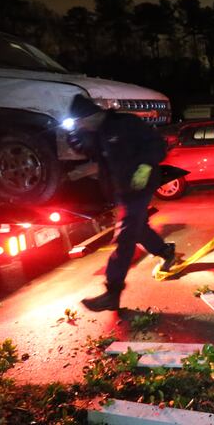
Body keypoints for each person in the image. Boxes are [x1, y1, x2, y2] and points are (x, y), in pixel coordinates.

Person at [66, 94, 177, 312]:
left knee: (125, 236)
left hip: (141, 184)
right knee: (138, 229)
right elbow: (85, 149)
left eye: (81, 121)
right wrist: (73, 133)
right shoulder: (96, 133)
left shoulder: (125, 123)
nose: (81, 125)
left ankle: (112, 291)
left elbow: (156, 144)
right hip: (122, 190)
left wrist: (145, 166)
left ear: (91, 115)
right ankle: (165, 251)